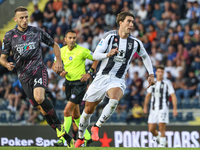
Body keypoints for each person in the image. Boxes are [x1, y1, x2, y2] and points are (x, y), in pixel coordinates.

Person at [75, 11, 155, 147]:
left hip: (117, 79)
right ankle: (81, 137)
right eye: (128, 21)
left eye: (132, 22)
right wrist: (108, 54)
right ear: (121, 23)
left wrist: (151, 74)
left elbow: (145, 56)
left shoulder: (135, 42)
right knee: (87, 111)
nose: (131, 24)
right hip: (101, 77)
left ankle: (96, 127)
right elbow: (95, 55)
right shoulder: (109, 37)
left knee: (113, 101)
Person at [0, 6, 74, 147]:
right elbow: (2, 57)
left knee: (40, 98)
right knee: (41, 108)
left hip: (38, 70)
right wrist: (6, 64)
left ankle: (60, 127)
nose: (25, 20)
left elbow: (55, 44)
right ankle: (65, 135)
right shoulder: (9, 36)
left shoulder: (36, 31)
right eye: (21, 18)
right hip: (23, 76)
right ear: (15, 19)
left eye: (26, 17)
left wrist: (58, 61)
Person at [53, 29, 98, 146]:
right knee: (76, 115)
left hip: (80, 84)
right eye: (70, 38)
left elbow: (96, 58)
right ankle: (88, 137)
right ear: (65, 39)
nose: (72, 40)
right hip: (68, 84)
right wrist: (60, 72)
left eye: (74, 38)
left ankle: (63, 139)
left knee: (67, 111)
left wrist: (90, 73)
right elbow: (55, 66)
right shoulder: (61, 51)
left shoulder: (82, 50)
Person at [143, 66, 178, 147]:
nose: (160, 73)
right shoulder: (152, 82)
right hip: (153, 109)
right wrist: (145, 106)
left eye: (162, 72)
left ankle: (162, 145)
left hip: (163, 108)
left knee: (162, 127)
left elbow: (173, 95)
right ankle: (162, 140)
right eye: (158, 72)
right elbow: (148, 95)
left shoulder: (167, 83)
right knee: (151, 129)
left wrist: (175, 109)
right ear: (156, 73)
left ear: (163, 73)